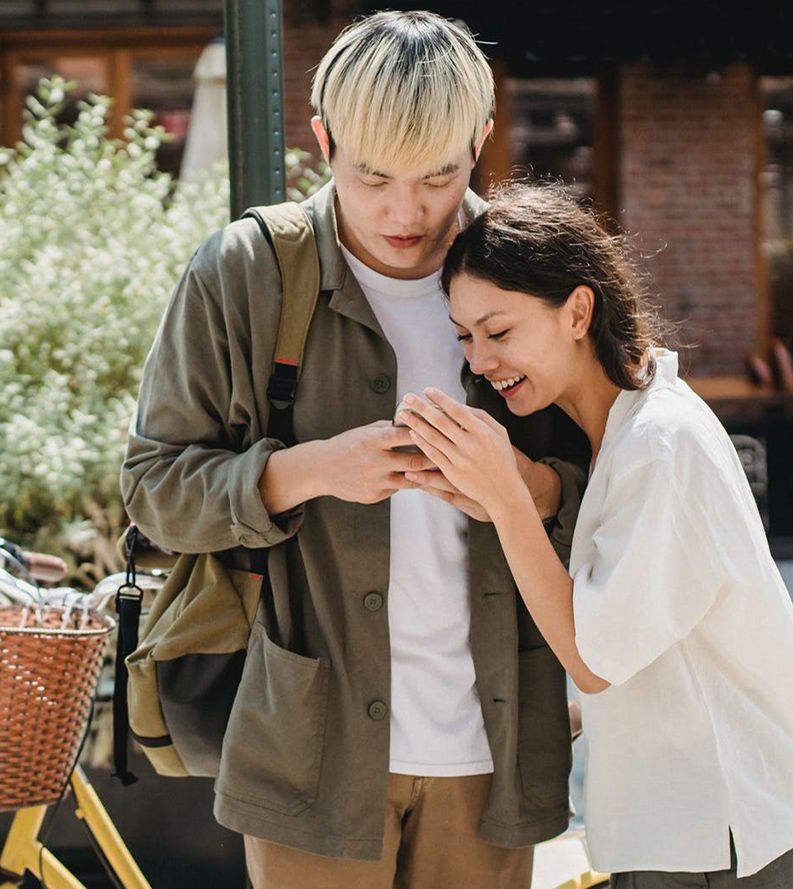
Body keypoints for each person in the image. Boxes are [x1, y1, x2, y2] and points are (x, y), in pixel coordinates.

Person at [121, 11, 591, 889]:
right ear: (323, 137)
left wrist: (521, 485)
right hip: (310, 755)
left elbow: (604, 481)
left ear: (482, 141)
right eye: (372, 175)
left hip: (494, 747)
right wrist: (306, 472)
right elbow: (152, 489)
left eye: (440, 175)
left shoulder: (533, 273)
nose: (404, 211)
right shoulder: (246, 273)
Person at [396, 182, 793, 888]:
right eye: (465, 337)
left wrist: (509, 500)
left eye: (500, 331)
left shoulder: (658, 444)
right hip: (696, 827)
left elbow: (595, 657)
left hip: (732, 838)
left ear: (579, 310)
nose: (480, 361)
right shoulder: (630, 427)